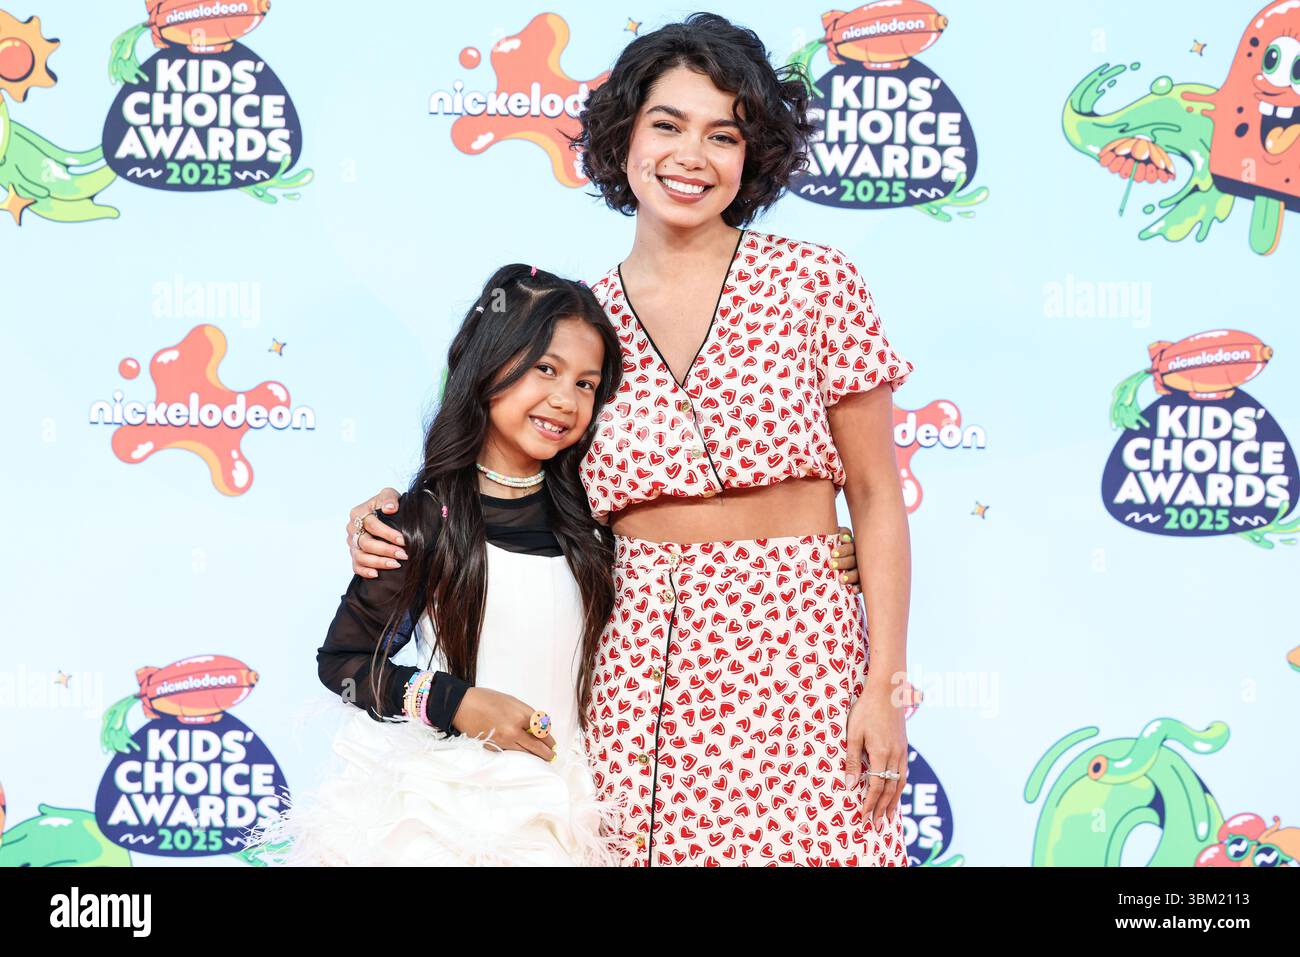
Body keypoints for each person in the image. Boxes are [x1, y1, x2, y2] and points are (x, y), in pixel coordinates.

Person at [350, 13, 911, 866]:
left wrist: (885, 687)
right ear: (624, 137)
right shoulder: (578, 321)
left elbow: (874, 493)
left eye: (724, 135)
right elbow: (505, 468)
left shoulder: (817, 282)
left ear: (751, 156)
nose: (692, 156)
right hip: (638, 658)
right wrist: (394, 514)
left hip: (804, 644)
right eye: (667, 124)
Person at [243, 264, 628, 865]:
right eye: (545, 369)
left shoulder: (598, 517)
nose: (564, 399)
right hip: (453, 809)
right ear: (487, 364)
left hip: (572, 802)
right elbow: (343, 662)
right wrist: (457, 702)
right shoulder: (421, 520)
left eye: (586, 383)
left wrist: (828, 551)